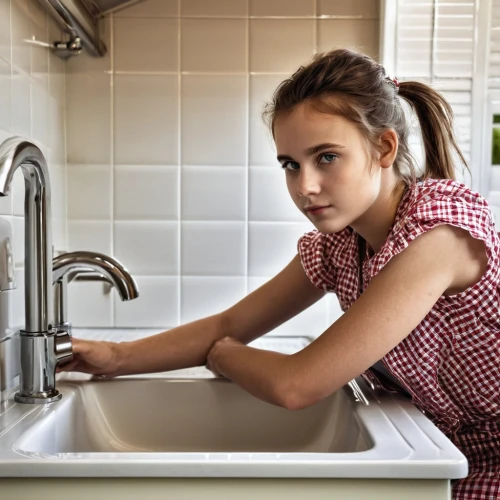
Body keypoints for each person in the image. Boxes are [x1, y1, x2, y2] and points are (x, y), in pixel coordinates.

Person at [59, 48, 499, 499]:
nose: (304, 186)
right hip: (452, 454)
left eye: (326, 157)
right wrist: (115, 357)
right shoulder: (342, 245)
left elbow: (297, 385)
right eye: (290, 165)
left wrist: (223, 356)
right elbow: (229, 325)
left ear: (383, 148)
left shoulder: (439, 233)